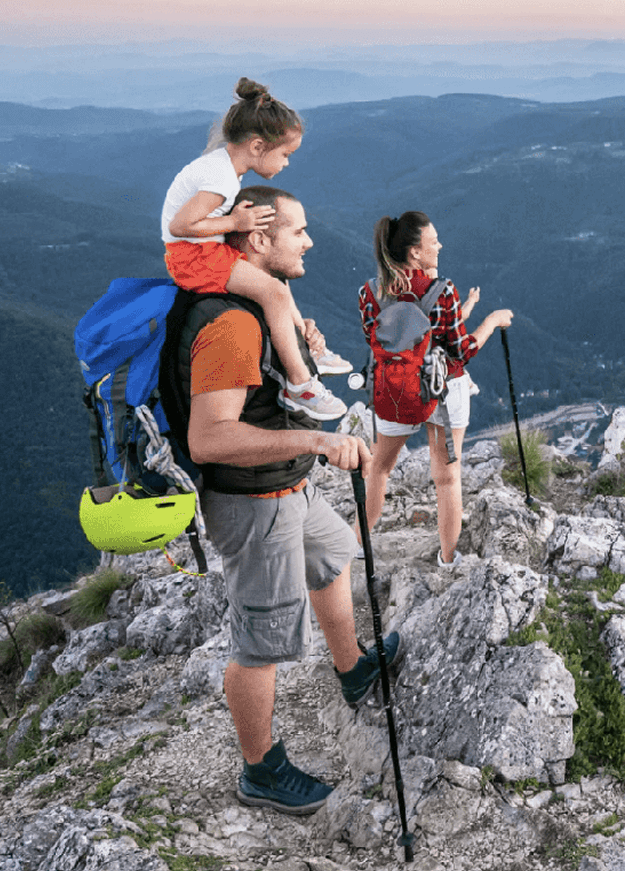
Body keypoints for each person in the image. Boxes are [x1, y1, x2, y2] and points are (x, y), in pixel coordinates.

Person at [177, 185, 394, 815]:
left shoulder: (257, 313)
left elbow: (267, 393)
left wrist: (306, 354)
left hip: (285, 485)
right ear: (259, 240)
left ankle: (354, 670)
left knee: (332, 555)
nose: (309, 242)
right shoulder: (231, 325)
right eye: (297, 232)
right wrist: (319, 443)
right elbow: (209, 436)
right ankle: (261, 770)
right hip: (253, 503)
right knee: (263, 642)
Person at [161, 77, 349, 420]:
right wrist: (235, 224)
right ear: (258, 146)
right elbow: (180, 227)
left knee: (278, 283)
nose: (286, 163)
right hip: (194, 258)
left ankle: (306, 348)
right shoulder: (220, 178)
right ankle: (300, 385)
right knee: (274, 294)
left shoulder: (223, 165)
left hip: (203, 251)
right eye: (285, 154)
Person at [355, 211, 513, 566]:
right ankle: (448, 559)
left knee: (379, 469)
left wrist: (462, 309)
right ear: (415, 252)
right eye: (433, 241)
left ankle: (353, 547)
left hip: (393, 390)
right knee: (446, 479)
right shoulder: (442, 292)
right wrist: (491, 320)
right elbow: (462, 351)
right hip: (443, 393)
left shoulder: (370, 292)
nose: (439, 245)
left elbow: (391, 340)